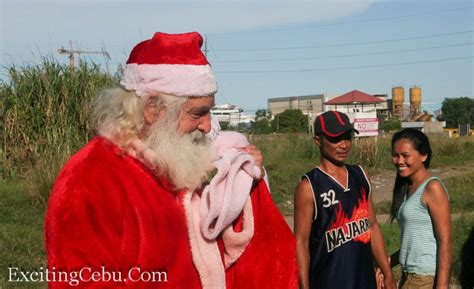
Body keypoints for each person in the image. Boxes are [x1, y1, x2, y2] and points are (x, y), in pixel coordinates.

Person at [45, 32, 297, 289]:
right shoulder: (90, 178)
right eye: (198, 113)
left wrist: (243, 177)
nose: (208, 126)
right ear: (153, 108)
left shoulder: (178, 164)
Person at [294, 110, 396, 289]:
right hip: (328, 281)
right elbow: (300, 241)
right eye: (335, 139)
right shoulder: (309, 186)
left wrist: (387, 273)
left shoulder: (361, 175)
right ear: (318, 141)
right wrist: (304, 286)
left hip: (364, 280)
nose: (344, 145)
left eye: (347, 137)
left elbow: (372, 225)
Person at [388, 128, 452, 289]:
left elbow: (445, 241)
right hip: (408, 274)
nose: (399, 161)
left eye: (405, 155)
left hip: (424, 277)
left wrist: (442, 286)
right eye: (396, 155)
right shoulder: (407, 187)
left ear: (424, 155)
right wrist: (386, 264)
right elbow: (414, 242)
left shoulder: (432, 187)